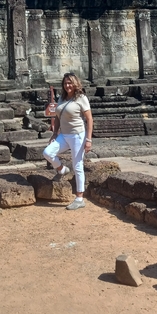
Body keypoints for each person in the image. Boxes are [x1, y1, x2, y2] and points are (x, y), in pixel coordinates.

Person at [43, 72, 93, 210]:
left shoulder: (81, 98)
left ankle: (79, 198)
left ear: (75, 83)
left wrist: (88, 140)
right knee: (47, 153)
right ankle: (62, 169)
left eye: (70, 83)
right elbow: (58, 117)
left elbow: (89, 119)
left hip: (78, 136)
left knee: (78, 166)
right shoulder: (62, 98)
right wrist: (54, 133)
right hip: (64, 135)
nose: (67, 86)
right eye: (65, 83)